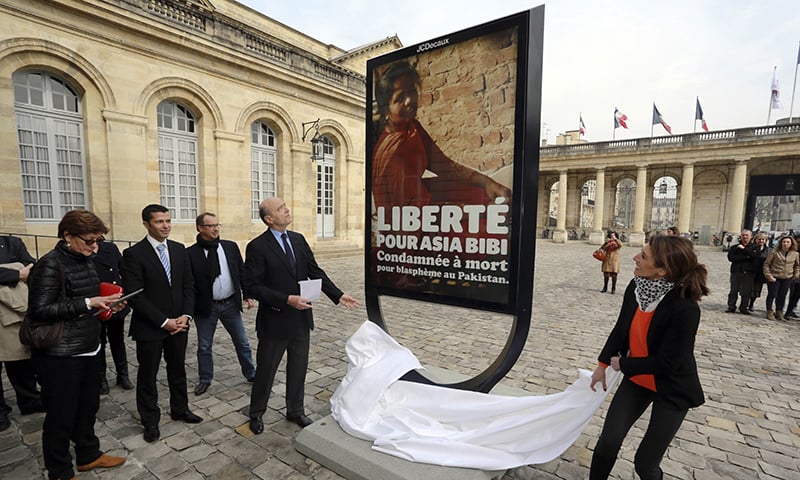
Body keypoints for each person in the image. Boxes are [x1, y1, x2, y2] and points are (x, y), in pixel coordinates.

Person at [370, 60, 511, 291]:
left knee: (480, 193)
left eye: (412, 92)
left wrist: (488, 182)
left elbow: (443, 166)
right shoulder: (391, 152)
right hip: (410, 230)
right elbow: (411, 212)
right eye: (399, 98)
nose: (409, 101)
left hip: (424, 208)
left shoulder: (411, 127)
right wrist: (466, 211)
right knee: (482, 230)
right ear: (386, 108)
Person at [589, 235, 708, 480]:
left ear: (662, 270)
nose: (635, 257)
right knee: (608, 441)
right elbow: (621, 329)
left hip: (672, 388)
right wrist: (602, 364)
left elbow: (668, 363)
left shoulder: (686, 308)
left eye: (643, 256)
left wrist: (623, 364)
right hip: (638, 380)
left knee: (645, 463)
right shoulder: (636, 286)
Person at [26, 210, 126, 480]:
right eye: (89, 241)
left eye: (98, 241)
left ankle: (88, 455)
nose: (95, 248)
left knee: (88, 406)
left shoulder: (85, 260)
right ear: (68, 235)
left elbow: (85, 299)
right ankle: (59, 471)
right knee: (61, 415)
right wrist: (87, 303)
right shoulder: (49, 264)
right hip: (61, 353)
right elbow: (40, 310)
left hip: (89, 345)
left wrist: (107, 304)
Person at [246, 197, 359, 434]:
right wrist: (287, 299)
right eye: (280, 209)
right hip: (275, 320)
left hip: (301, 319)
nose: (287, 210)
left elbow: (314, 271)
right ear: (269, 219)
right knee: (266, 371)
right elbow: (253, 287)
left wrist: (337, 295)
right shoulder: (257, 246)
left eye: (285, 206)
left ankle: (295, 410)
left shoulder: (297, 239)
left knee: (298, 368)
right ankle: (256, 413)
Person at [121, 204, 201, 443]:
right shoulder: (134, 254)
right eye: (159, 222)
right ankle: (150, 421)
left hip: (180, 324)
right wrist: (164, 322)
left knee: (178, 369)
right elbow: (136, 296)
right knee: (148, 374)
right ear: (146, 224)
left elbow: (189, 286)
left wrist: (186, 315)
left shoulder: (179, 250)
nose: (165, 225)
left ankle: (180, 409)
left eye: (167, 220)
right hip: (150, 327)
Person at [187, 212, 256, 395]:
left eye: (217, 224)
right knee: (204, 345)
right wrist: (188, 311)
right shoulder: (191, 253)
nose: (215, 228)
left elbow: (241, 272)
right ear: (200, 228)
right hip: (206, 308)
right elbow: (189, 284)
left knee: (242, 342)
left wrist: (247, 295)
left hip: (229, 304)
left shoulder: (230, 247)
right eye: (210, 226)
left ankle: (251, 373)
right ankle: (205, 378)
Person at [0, 235, 42, 431]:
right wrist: (16, 274)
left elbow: (31, 267)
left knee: (20, 360)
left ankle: (29, 402)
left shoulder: (12, 243)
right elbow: (22, 272)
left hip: (12, 313)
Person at [91, 240, 133, 393]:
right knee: (99, 342)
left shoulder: (109, 247)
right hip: (97, 303)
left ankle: (123, 375)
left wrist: (124, 293)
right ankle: (101, 378)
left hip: (115, 301)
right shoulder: (83, 252)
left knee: (117, 340)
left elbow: (123, 270)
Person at [762, 234, 799, 321]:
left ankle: (779, 312)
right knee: (772, 294)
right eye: (784, 242)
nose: (785, 244)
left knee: (782, 296)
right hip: (774, 276)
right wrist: (769, 275)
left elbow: (797, 266)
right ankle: (769, 311)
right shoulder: (774, 252)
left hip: (787, 278)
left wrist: (796, 275)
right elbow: (767, 264)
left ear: (791, 243)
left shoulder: (795, 254)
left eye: (788, 242)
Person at [726, 229, 758, 314]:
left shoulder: (755, 247)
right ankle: (731, 306)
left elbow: (754, 257)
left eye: (747, 235)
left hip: (748, 272)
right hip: (736, 271)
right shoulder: (735, 247)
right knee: (733, 290)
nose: (745, 237)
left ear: (751, 237)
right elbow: (731, 258)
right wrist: (746, 257)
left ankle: (744, 307)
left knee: (746, 291)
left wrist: (744, 250)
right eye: (743, 235)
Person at [749, 233, 771, 312]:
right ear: (755, 240)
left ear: (765, 241)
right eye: (759, 239)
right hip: (751, 271)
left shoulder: (769, 250)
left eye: (763, 239)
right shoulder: (751, 248)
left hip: (761, 273)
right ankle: (745, 303)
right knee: (748, 288)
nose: (761, 241)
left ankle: (751, 304)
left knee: (756, 290)